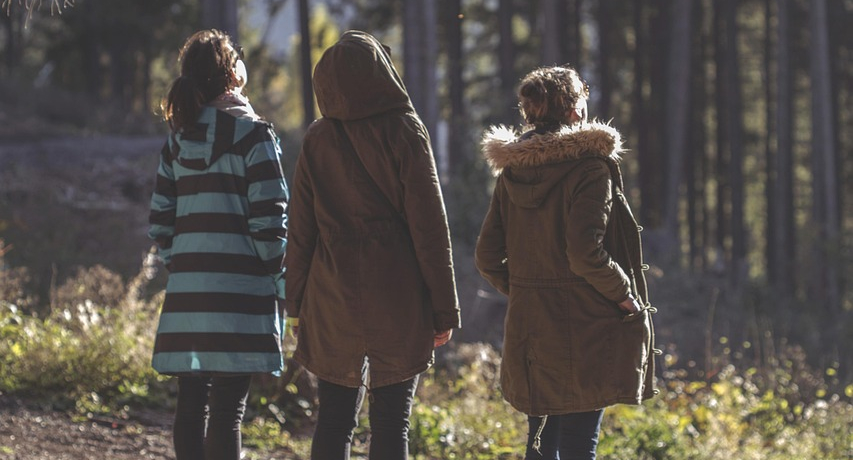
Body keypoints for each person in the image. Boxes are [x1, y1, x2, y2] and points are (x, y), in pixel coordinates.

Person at [285, 30, 461, 460]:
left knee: (334, 421)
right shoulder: (406, 131)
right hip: (397, 293)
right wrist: (444, 308)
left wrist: (294, 304)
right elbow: (430, 229)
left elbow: (301, 229)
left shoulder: (317, 138)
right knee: (391, 422)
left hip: (331, 294)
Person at [475, 65, 655, 460]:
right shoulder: (590, 168)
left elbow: (487, 256)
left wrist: (527, 289)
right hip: (586, 322)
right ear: (575, 110)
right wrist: (625, 297)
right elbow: (584, 252)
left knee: (540, 442)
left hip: (531, 326)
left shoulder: (511, 172)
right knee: (578, 445)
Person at [148, 29, 289, 460]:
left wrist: (187, 268)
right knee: (228, 411)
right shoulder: (254, 136)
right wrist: (281, 280)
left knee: (190, 405)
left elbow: (160, 224)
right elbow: (271, 225)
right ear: (233, 75)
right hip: (241, 299)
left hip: (190, 300)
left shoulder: (176, 142)